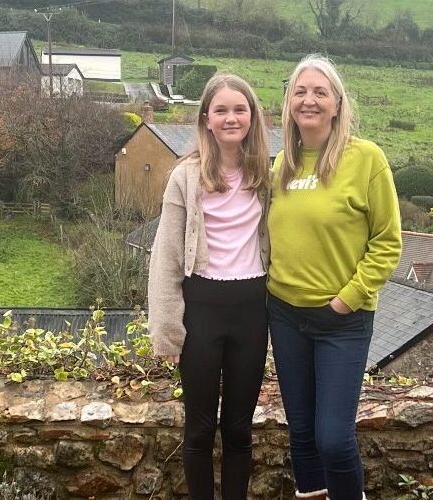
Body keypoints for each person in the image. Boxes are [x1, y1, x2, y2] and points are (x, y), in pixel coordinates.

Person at [267, 54, 402, 500]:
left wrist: (348, 298)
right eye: (300, 92)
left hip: (341, 320)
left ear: (338, 104)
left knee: (333, 438)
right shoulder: (281, 164)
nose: (309, 100)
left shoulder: (366, 159)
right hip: (285, 316)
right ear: (288, 103)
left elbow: (387, 241)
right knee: (302, 436)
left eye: (319, 92)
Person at [148, 73, 271, 500]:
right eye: (221, 110)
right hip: (202, 308)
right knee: (199, 429)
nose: (231, 117)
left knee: (239, 428)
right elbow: (165, 257)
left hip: (253, 309)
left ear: (253, 117)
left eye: (240, 109)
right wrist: (167, 331)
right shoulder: (184, 177)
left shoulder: (268, 174)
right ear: (206, 118)